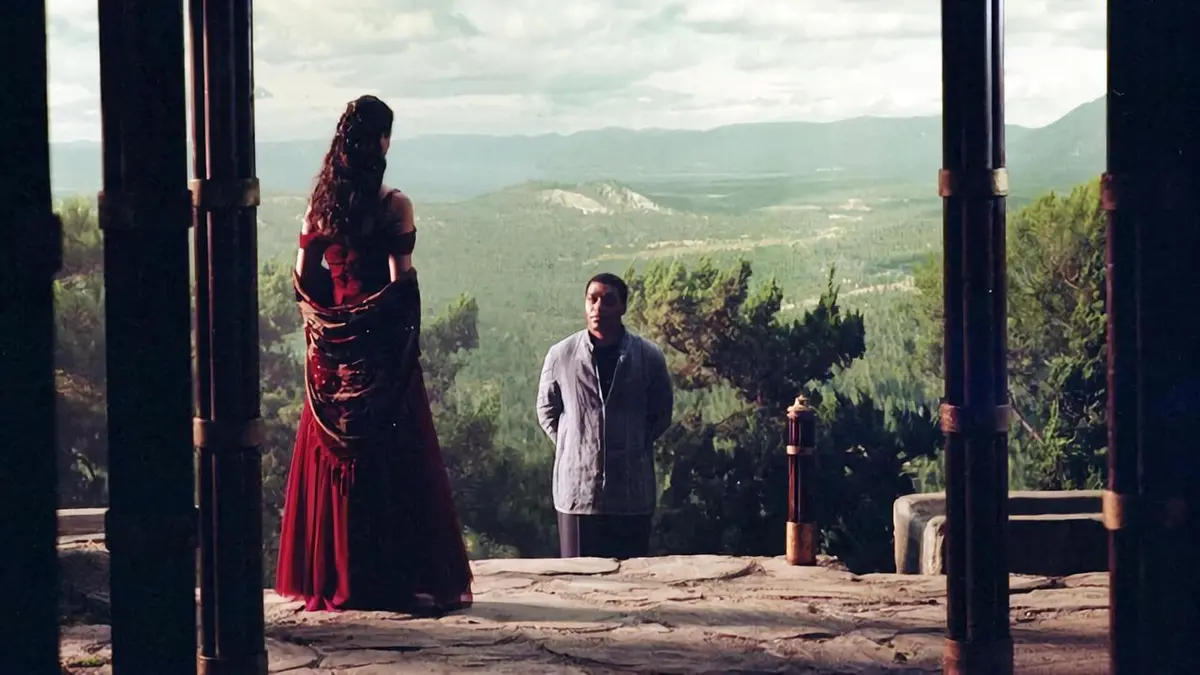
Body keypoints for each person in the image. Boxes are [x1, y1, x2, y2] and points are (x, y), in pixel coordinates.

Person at [274, 95, 473, 613]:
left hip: (331, 360)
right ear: (382, 142)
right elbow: (399, 284)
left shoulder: (318, 209)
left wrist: (330, 328)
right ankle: (391, 576)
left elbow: (304, 281)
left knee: (333, 457)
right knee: (393, 457)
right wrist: (392, 335)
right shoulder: (393, 206)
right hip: (380, 354)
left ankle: (336, 576)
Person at [536, 273, 674, 559]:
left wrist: (632, 444)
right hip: (578, 494)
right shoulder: (561, 355)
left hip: (631, 494)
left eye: (608, 301)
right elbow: (547, 411)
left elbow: (661, 414)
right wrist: (575, 445)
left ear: (623, 307)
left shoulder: (648, 357)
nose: (598, 308)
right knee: (578, 579)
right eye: (592, 299)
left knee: (632, 579)